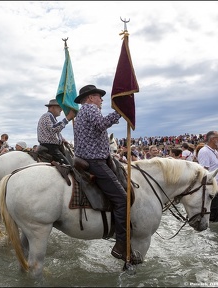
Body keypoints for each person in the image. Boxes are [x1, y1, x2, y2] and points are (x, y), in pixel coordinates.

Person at [73, 84, 131, 261]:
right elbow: (102, 124)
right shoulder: (91, 108)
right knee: (122, 199)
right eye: (99, 96)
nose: (102, 100)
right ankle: (121, 243)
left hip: (89, 158)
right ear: (90, 98)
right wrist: (120, 112)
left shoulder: (81, 112)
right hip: (94, 161)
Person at [197, 131, 218, 222]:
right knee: (214, 219)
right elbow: (204, 174)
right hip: (213, 190)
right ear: (213, 139)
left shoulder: (214, 151)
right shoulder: (204, 151)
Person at [37, 99, 76, 165]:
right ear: (53, 107)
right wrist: (68, 118)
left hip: (50, 146)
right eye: (59, 107)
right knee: (68, 165)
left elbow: (52, 131)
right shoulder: (48, 116)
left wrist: (62, 139)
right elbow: (54, 129)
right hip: (51, 147)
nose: (61, 109)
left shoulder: (49, 117)